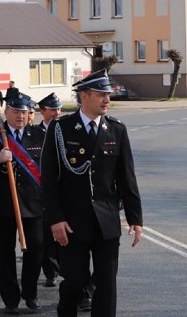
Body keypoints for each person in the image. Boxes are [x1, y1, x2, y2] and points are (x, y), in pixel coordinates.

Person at [41, 69, 143, 317]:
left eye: (108, 94)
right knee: (75, 284)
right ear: (84, 96)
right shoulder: (60, 128)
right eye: (101, 94)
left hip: (106, 222)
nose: (107, 99)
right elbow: (49, 179)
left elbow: (127, 177)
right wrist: (55, 218)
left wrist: (135, 219)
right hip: (71, 223)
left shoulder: (116, 129)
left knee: (107, 286)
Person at [0, 92, 45, 315]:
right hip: (1, 204)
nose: (21, 116)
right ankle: (10, 298)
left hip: (32, 204)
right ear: (6, 112)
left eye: (24, 112)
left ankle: (30, 293)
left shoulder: (39, 135)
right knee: (4, 254)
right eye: (16, 111)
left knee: (35, 250)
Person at [36, 93, 62, 288]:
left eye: (58, 109)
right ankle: (51, 272)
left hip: (63, 190)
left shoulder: (65, 130)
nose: (56, 113)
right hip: (40, 192)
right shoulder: (34, 134)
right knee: (46, 236)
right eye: (52, 109)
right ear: (43, 111)